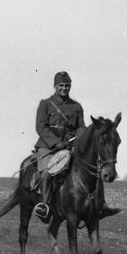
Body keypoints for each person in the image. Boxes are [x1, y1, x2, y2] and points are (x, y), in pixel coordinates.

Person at [33, 71, 86, 222]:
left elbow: (81, 126)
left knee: (89, 169)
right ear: (55, 86)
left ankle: (94, 206)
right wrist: (56, 142)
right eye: (61, 85)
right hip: (48, 146)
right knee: (47, 174)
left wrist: (79, 136)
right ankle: (44, 206)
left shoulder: (76, 106)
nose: (64, 88)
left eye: (67, 86)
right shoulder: (45, 104)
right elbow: (40, 127)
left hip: (69, 146)